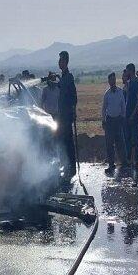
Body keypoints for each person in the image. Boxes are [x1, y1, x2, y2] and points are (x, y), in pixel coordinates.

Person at [57, 50, 78, 180]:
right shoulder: (63, 77)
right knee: (64, 142)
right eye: (59, 60)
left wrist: (72, 111)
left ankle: (72, 167)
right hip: (62, 115)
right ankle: (67, 165)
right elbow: (60, 86)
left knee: (68, 142)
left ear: (66, 61)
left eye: (61, 60)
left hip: (66, 115)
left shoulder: (69, 77)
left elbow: (73, 96)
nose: (59, 62)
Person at [102, 72, 127, 173]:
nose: (112, 81)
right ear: (108, 81)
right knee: (109, 144)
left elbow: (123, 106)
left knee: (120, 142)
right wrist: (103, 120)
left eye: (113, 79)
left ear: (115, 80)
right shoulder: (106, 94)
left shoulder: (120, 92)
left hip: (118, 120)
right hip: (109, 121)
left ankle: (124, 163)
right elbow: (104, 108)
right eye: (110, 80)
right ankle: (111, 164)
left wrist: (123, 117)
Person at [124, 63, 138, 168]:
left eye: (127, 71)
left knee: (135, 139)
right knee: (128, 139)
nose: (126, 73)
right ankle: (128, 160)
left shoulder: (137, 83)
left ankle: (137, 161)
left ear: (130, 71)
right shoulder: (129, 83)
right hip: (127, 115)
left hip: (134, 116)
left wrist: (133, 114)